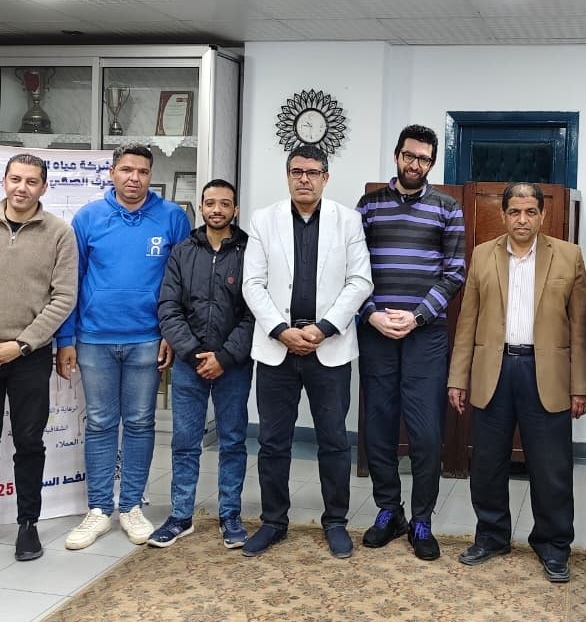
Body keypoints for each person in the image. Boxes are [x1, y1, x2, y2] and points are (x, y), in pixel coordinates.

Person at [448, 182, 586, 583]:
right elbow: (467, 323)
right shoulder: (482, 255)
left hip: (546, 374)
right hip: (492, 371)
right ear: (504, 214)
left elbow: (581, 328)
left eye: (530, 212)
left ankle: (553, 544)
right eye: (515, 212)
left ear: (543, 215)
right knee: (487, 463)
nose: (522, 219)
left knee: (551, 467)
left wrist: (581, 386)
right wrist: (458, 378)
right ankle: (492, 535)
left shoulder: (568, 256)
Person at [241, 144, 372, 559]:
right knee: (272, 442)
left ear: (325, 178)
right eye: (297, 171)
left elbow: (360, 281)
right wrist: (281, 331)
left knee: (333, 440)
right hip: (277, 349)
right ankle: (273, 521)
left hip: (327, 348)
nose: (304, 179)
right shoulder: (264, 220)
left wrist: (323, 327)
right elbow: (252, 284)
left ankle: (335, 521)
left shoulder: (348, 221)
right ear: (287, 176)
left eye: (313, 172)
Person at [56, 144, 190, 550]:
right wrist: (65, 338)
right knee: (99, 422)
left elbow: (182, 281)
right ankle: (99, 509)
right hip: (94, 338)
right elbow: (70, 281)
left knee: (139, 422)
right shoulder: (88, 218)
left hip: (147, 339)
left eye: (143, 172)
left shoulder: (172, 218)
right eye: (127, 170)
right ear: (112, 173)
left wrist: (171, 334)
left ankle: (131, 506)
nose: (134, 178)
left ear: (151, 176)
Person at [0, 154, 77, 562]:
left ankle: (27, 524)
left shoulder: (60, 234)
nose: (22, 187)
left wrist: (21, 345)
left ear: (44, 187)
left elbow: (63, 298)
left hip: (29, 356)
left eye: (32, 181)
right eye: (16, 179)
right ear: (3, 181)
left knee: (28, 441)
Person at [355, 125, 466, 561]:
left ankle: (422, 519)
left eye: (423, 158)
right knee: (378, 427)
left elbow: (455, 272)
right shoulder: (369, 205)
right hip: (376, 332)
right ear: (397, 156)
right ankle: (389, 511)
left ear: (431, 163)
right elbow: (352, 268)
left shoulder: (447, 208)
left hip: (426, 335)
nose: (414, 164)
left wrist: (417, 315)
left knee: (425, 432)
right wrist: (373, 314)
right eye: (409, 155)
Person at [151, 179, 255, 550]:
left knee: (232, 441)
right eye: (210, 203)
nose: (216, 210)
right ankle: (180, 516)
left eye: (225, 203)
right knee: (185, 441)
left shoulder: (250, 252)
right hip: (188, 364)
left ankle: (230, 515)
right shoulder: (182, 251)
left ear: (235, 209)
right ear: (201, 206)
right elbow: (168, 307)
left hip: (233, 365)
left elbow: (254, 311)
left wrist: (224, 357)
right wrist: (194, 353)